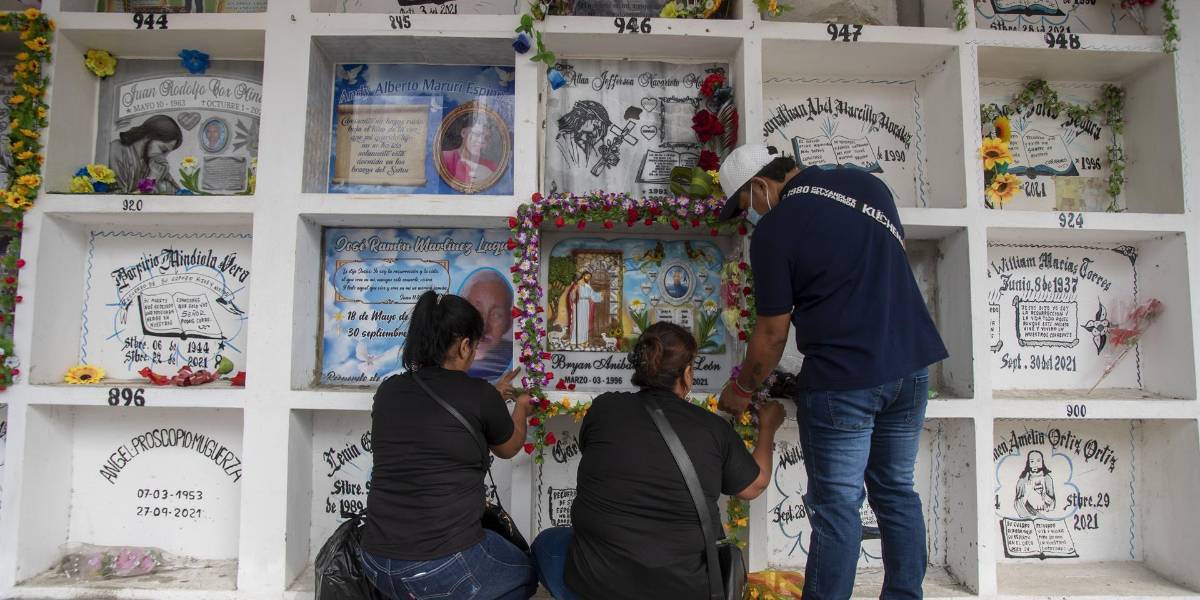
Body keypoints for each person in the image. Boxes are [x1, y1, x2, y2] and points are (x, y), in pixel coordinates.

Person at [716, 144, 948, 600]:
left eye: (746, 205)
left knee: (837, 506)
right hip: (909, 367)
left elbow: (772, 334)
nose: (750, 217)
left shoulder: (775, 230)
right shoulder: (869, 186)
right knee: (896, 492)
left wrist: (742, 388)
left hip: (844, 378)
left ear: (760, 186)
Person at [531, 322, 785, 600]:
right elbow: (754, 485)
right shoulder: (712, 429)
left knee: (547, 543)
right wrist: (767, 428)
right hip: (683, 589)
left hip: (600, 583)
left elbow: (592, 449)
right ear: (686, 373)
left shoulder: (604, 409)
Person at [359, 290, 537, 600]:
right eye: (475, 346)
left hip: (375, 561)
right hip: (440, 564)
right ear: (464, 345)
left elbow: (433, 422)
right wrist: (520, 408)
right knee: (525, 573)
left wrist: (490, 398)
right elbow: (508, 448)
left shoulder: (389, 390)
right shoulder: (478, 394)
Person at [460, 268, 515, 381]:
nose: (484, 327)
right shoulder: (445, 356)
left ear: (509, 323)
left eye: (496, 315)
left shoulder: (517, 356)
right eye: (476, 311)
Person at [108, 115, 183, 194]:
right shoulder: (117, 150)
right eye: (163, 149)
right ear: (148, 137)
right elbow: (119, 198)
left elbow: (176, 193)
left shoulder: (152, 161)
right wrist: (151, 179)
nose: (163, 157)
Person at [441, 113, 498, 188]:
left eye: (486, 138)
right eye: (477, 134)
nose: (482, 140)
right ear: (463, 133)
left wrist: (489, 177)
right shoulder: (444, 158)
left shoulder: (491, 167)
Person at [555, 100, 611, 170]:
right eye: (595, 126)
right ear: (581, 118)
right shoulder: (560, 143)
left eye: (600, 130)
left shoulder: (591, 148)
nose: (596, 135)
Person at [554, 272, 602, 348]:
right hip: (578, 304)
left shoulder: (587, 286)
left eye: (589, 277)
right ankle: (575, 341)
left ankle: (584, 341)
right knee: (578, 322)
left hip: (586, 305)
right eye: (587, 276)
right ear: (583, 275)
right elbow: (571, 296)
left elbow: (593, 295)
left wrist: (600, 294)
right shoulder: (576, 284)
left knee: (584, 323)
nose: (588, 278)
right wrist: (574, 292)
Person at [1014, 450, 1055, 518]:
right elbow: (1017, 504)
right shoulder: (1023, 479)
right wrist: (1027, 491)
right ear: (1028, 463)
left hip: (1044, 516)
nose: (1035, 464)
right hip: (1028, 516)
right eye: (1032, 461)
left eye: (1038, 461)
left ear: (1042, 462)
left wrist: (1044, 496)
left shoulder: (1047, 478)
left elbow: (1052, 505)